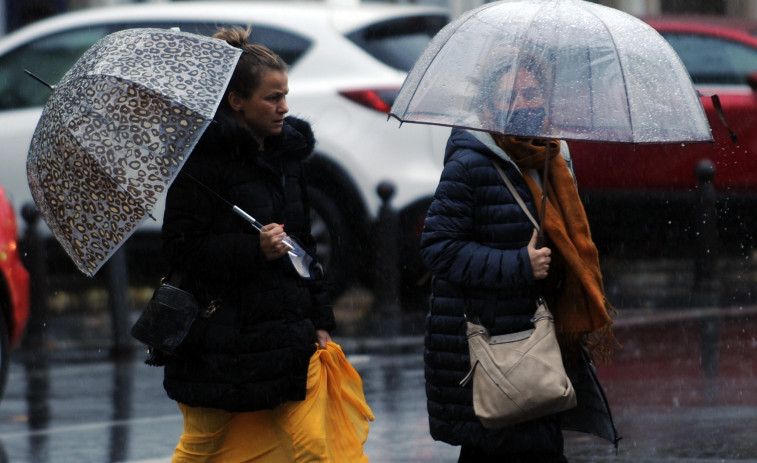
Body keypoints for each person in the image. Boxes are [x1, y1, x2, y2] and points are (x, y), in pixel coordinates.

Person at [159, 26, 373, 462]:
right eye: (272, 98)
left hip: (285, 332)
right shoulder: (200, 164)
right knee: (201, 448)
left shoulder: (286, 158)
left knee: (316, 448)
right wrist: (252, 249)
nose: (284, 107)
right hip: (219, 340)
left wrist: (319, 317)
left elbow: (306, 244)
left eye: (285, 95)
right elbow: (182, 249)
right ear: (237, 101)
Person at [419, 57, 616, 462]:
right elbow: (438, 247)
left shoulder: (550, 160)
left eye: (533, 92)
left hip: (535, 341)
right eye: (514, 95)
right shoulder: (469, 164)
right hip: (493, 350)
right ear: (489, 107)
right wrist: (518, 265)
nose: (528, 103)